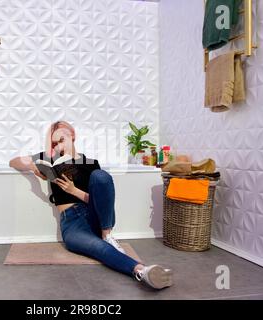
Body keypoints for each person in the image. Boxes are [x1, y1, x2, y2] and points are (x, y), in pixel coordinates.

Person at [9, 121, 173, 289]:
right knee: (98, 248)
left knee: (100, 176)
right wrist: (33, 167)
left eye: (61, 140)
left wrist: (74, 191)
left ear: (72, 136)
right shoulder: (49, 160)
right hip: (72, 224)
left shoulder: (91, 163)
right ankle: (143, 271)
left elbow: (99, 199)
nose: (58, 146)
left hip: (95, 216)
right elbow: (13, 162)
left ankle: (106, 234)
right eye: (54, 143)